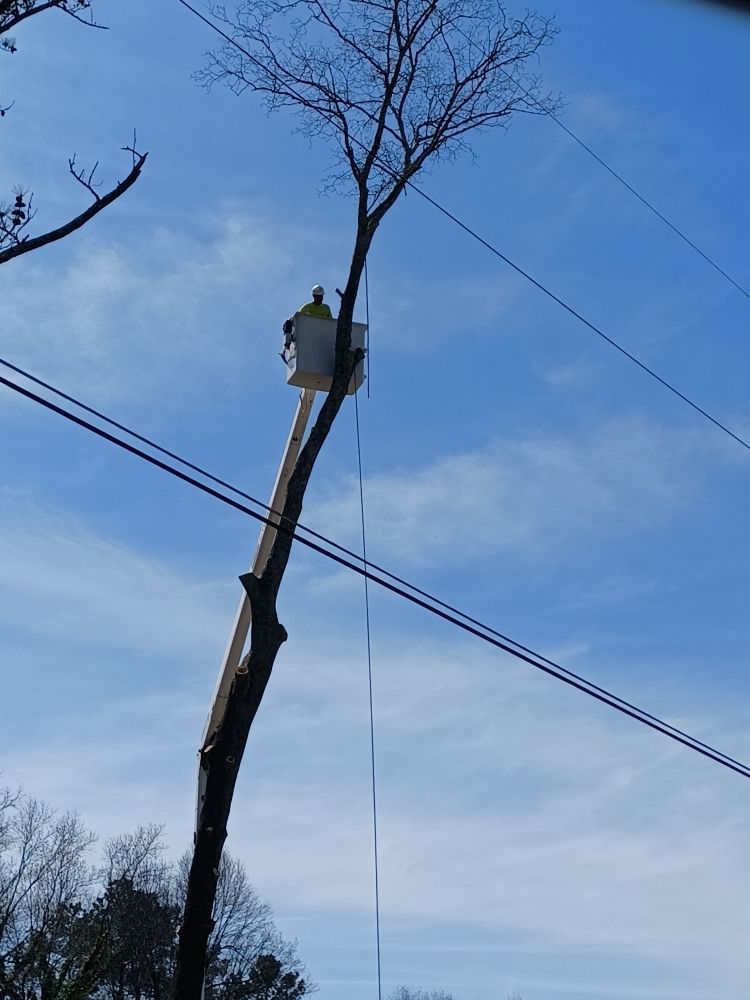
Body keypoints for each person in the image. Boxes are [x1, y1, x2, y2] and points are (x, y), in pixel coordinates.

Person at [281, 284, 334, 362]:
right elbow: (296, 318)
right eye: (318, 296)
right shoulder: (307, 307)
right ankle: (286, 346)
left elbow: (330, 323)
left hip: (321, 333)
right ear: (313, 296)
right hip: (308, 331)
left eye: (321, 296)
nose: (320, 298)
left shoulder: (326, 308)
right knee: (288, 322)